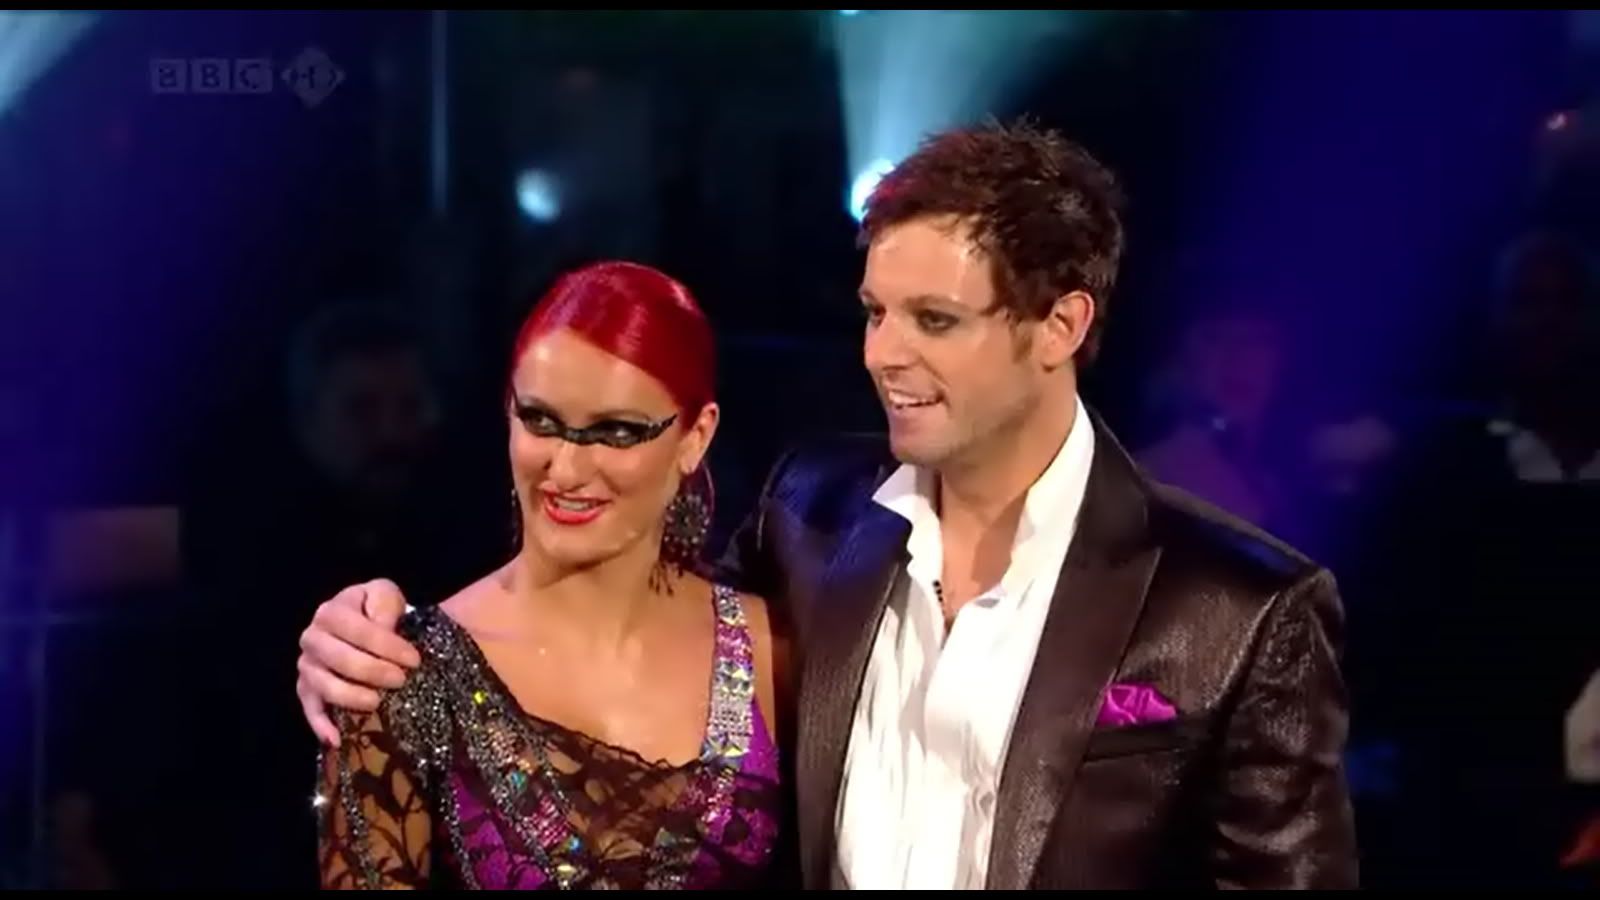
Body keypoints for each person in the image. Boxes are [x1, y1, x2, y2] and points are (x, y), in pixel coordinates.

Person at [296, 120, 1358, 888]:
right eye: (874, 312)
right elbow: (631, 629)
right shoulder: (813, 516)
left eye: (933, 320)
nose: (883, 354)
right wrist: (359, 632)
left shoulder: (1237, 610)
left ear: (1059, 327)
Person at [309, 261, 788, 889]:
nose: (566, 468)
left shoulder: (775, 651)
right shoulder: (397, 670)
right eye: (540, 420)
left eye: (615, 431)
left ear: (695, 437)